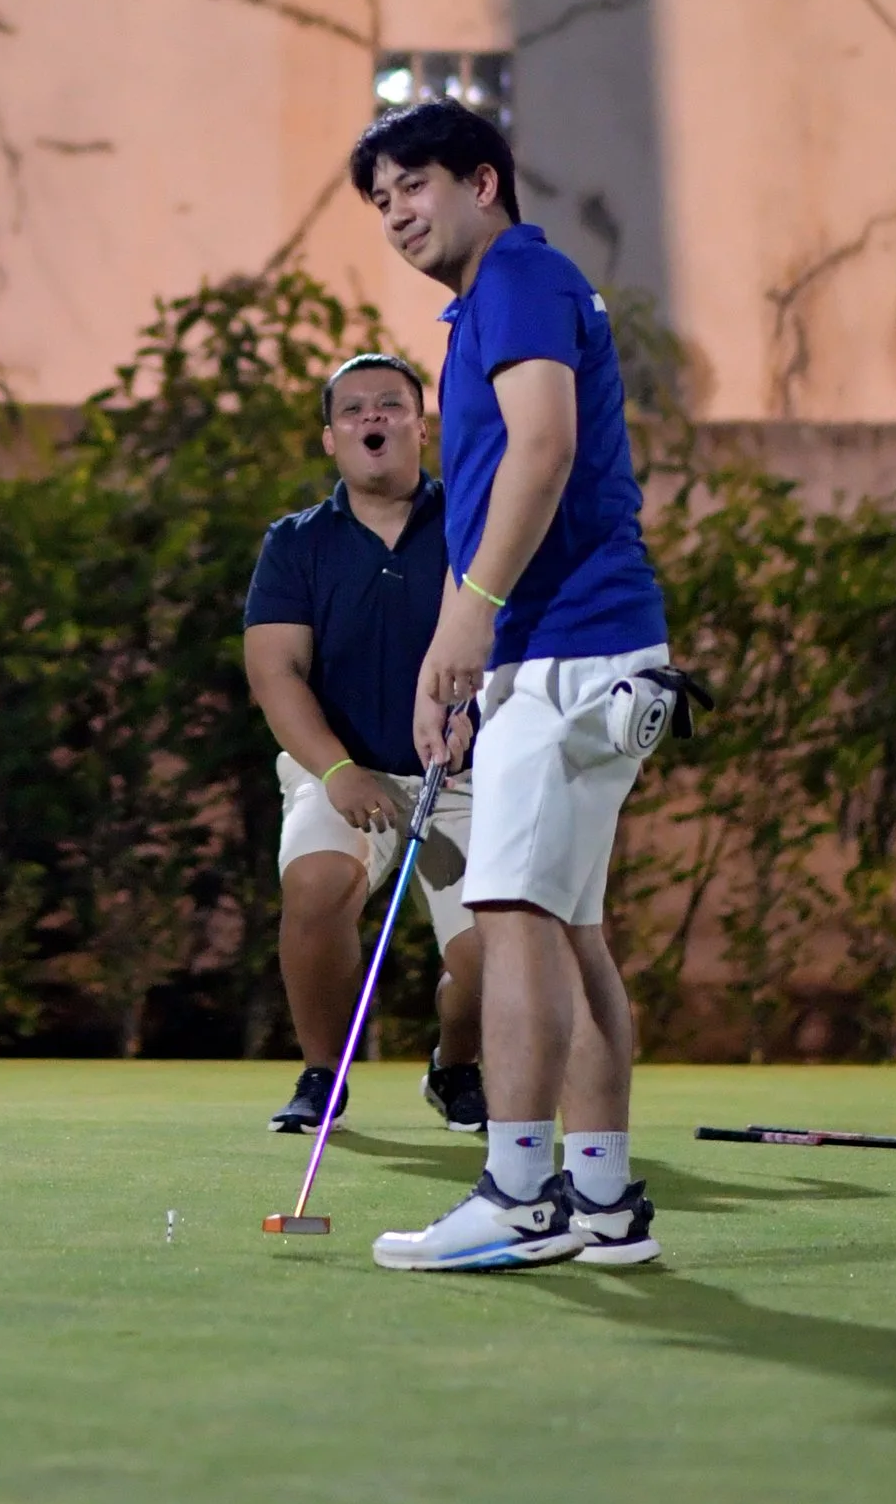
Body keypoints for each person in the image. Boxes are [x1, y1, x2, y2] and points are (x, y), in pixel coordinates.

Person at [347, 102, 673, 1272]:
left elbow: (540, 448)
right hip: (577, 651)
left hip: (568, 648)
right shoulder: (494, 298)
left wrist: (466, 623)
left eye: (411, 186)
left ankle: (518, 1195)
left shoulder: (522, 279)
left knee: (513, 916)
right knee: (567, 926)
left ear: (482, 181)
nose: (395, 214)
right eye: (379, 201)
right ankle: (600, 1200)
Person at [243, 351, 485, 1141]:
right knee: (316, 887)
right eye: (353, 409)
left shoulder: (474, 524)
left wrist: (481, 713)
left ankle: (456, 1066)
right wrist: (338, 770)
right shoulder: (296, 544)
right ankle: (324, 1072)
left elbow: (512, 644)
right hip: (343, 767)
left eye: (389, 404)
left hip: (465, 774)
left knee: (490, 958)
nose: (372, 418)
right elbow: (276, 673)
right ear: (330, 438)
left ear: (422, 425)